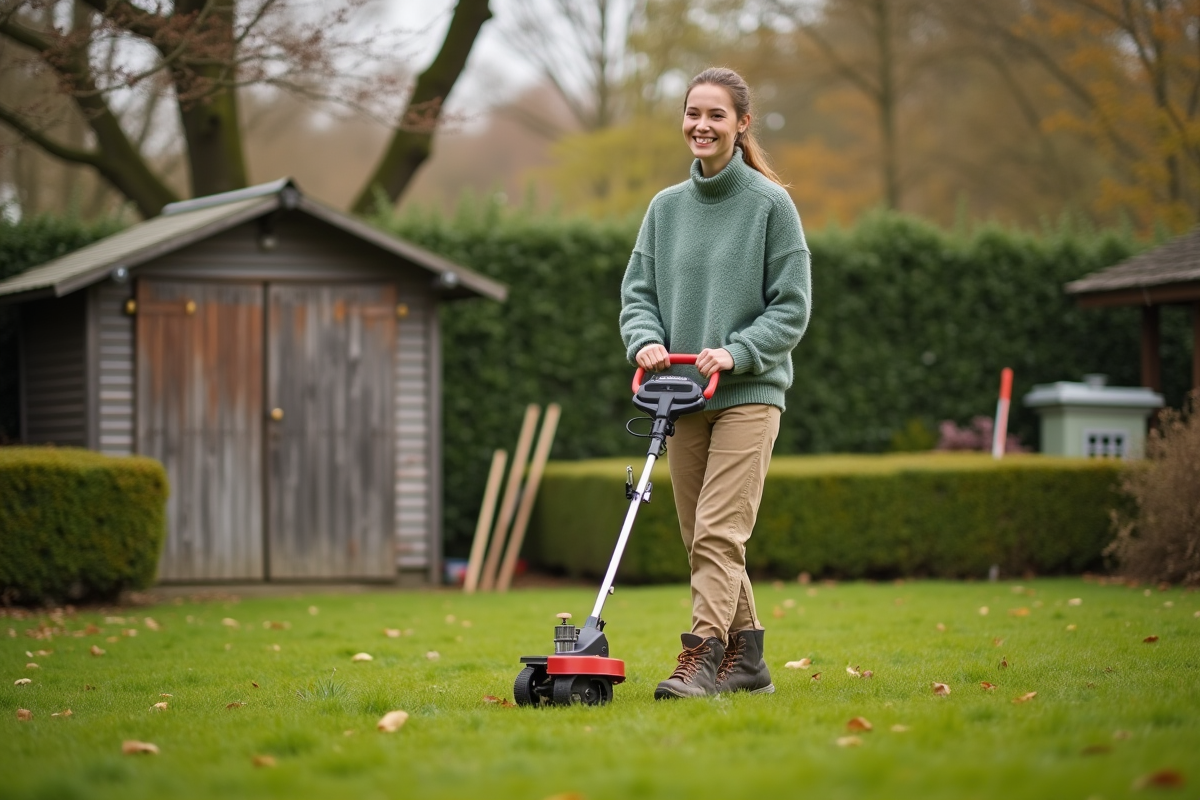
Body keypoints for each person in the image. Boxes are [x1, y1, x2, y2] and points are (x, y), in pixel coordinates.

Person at [619, 67, 812, 699]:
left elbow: (791, 307)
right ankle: (749, 661)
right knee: (698, 536)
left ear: (741, 124)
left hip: (748, 394)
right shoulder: (665, 208)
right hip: (679, 394)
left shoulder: (769, 206)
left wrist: (736, 352)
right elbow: (638, 294)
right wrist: (644, 340)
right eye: (693, 113)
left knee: (719, 534)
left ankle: (700, 658)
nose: (701, 125)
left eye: (717, 115)